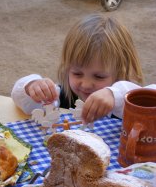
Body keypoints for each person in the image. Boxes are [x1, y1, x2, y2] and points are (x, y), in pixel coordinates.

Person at [11, 14, 151, 124]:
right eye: (77, 73)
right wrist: (32, 86)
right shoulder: (63, 96)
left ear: (120, 72)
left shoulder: (127, 102)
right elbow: (23, 102)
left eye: (99, 76)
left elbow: (148, 95)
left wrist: (115, 94)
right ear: (67, 68)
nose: (85, 84)